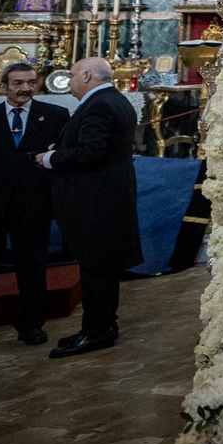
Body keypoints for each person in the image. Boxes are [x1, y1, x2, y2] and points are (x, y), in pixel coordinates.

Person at [35, 57, 141, 358]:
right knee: (101, 268)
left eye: (71, 75)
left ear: (86, 75)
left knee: (96, 269)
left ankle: (97, 332)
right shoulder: (114, 100)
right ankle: (101, 327)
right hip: (107, 196)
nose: (69, 81)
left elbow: (92, 152)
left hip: (96, 200)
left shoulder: (99, 104)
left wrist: (50, 158)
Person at [0, 62, 69, 344]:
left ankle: (31, 324)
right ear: (3, 86)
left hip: (33, 204)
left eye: (31, 82)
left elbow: (63, 155)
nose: (25, 88)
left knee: (32, 267)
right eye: (18, 83)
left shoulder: (55, 115)